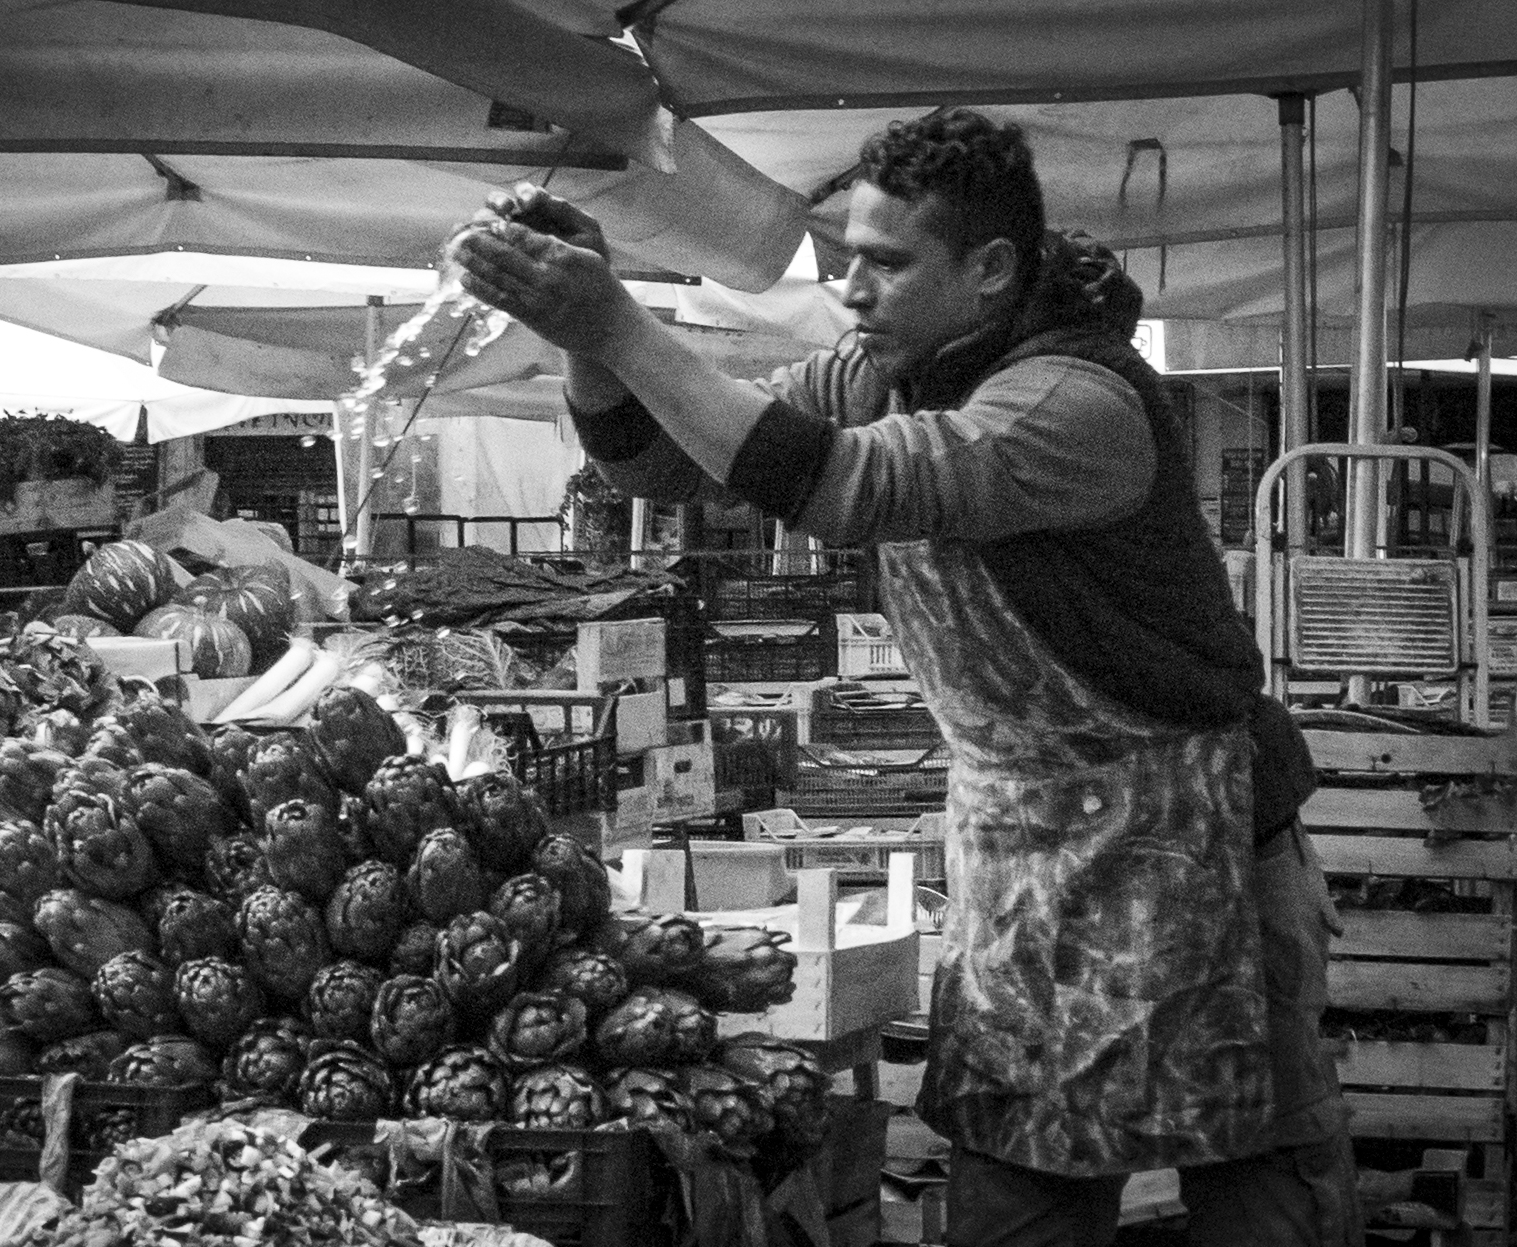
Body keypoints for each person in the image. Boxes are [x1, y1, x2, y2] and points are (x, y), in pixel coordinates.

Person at [452, 108, 1361, 1247]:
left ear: (986, 271)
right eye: (844, 261)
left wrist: (616, 317)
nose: (850, 291)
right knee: (1015, 1201)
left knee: (1258, 1196)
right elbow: (667, 460)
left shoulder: (1077, 404)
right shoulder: (869, 374)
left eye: (885, 264)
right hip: (1029, 864)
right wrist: (585, 322)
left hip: (1204, 851)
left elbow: (838, 489)